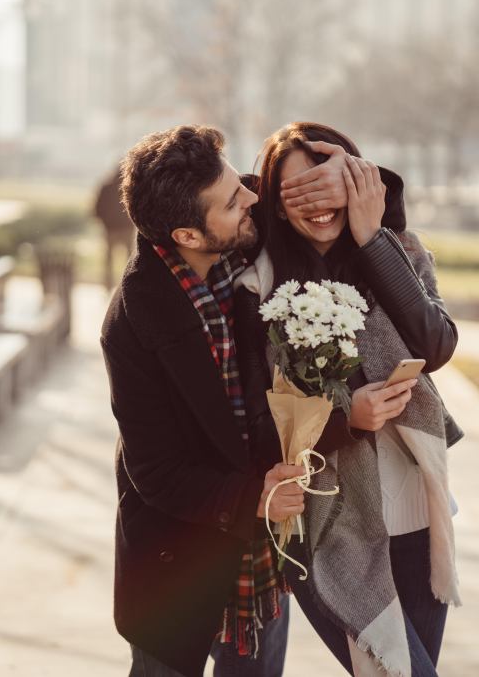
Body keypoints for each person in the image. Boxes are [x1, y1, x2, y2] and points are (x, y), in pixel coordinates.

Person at [102, 125, 357, 677]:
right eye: (232, 199)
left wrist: (352, 177)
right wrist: (253, 499)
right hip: (176, 563)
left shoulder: (241, 235)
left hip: (260, 562)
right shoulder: (132, 324)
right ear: (189, 235)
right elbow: (155, 471)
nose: (251, 198)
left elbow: (336, 200)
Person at [234, 122, 464, 677]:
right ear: (276, 202)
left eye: (328, 185)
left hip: (416, 516)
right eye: (298, 192)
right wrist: (346, 419)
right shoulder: (257, 289)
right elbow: (258, 425)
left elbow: (436, 344)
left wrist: (371, 233)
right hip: (330, 528)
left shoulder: (396, 252)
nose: (317, 203)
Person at [94, 169, 137, 290]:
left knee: (109, 261)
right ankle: (128, 286)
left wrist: (105, 222)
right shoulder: (129, 187)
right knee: (130, 260)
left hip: (110, 229)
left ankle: (108, 286)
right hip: (125, 229)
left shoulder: (105, 187)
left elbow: (97, 208)